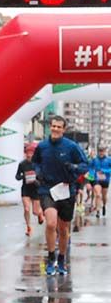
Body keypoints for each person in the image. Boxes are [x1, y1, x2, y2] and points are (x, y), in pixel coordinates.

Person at [33, 115, 89, 276]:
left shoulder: (72, 147)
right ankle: (51, 259)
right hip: (47, 189)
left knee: (63, 229)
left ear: (64, 129)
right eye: (53, 126)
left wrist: (73, 167)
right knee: (51, 224)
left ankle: (62, 259)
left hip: (66, 190)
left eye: (59, 127)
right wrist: (37, 172)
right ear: (50, 127)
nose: (55, 129)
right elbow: (35, 162)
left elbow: (85, 165)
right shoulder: (42, 146)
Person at [15, 146, 43, 236]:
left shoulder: (38, 164)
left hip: (35, 189)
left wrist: (36, 180)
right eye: (27, 153)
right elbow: (17, 176)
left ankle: (40, 214)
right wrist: (24, 176)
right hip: (26, 189)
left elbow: (42, 177)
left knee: (35, 212)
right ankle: (28, 227)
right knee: (26, 209)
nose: (29, 155)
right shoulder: (22, 164)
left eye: (31, 153)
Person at [90, 146, 111, 218]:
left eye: (102, 151)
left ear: (105, 151)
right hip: (97, 180)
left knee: (104, 196)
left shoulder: (109, 160)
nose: (101, 153)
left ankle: (104, 205)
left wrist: (104, 171)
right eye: (100, 151)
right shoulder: (94, 160)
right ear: (98, 152)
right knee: (98, 195)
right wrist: (91, 177)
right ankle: (98, 211)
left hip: (106, 180)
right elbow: (90, 168)